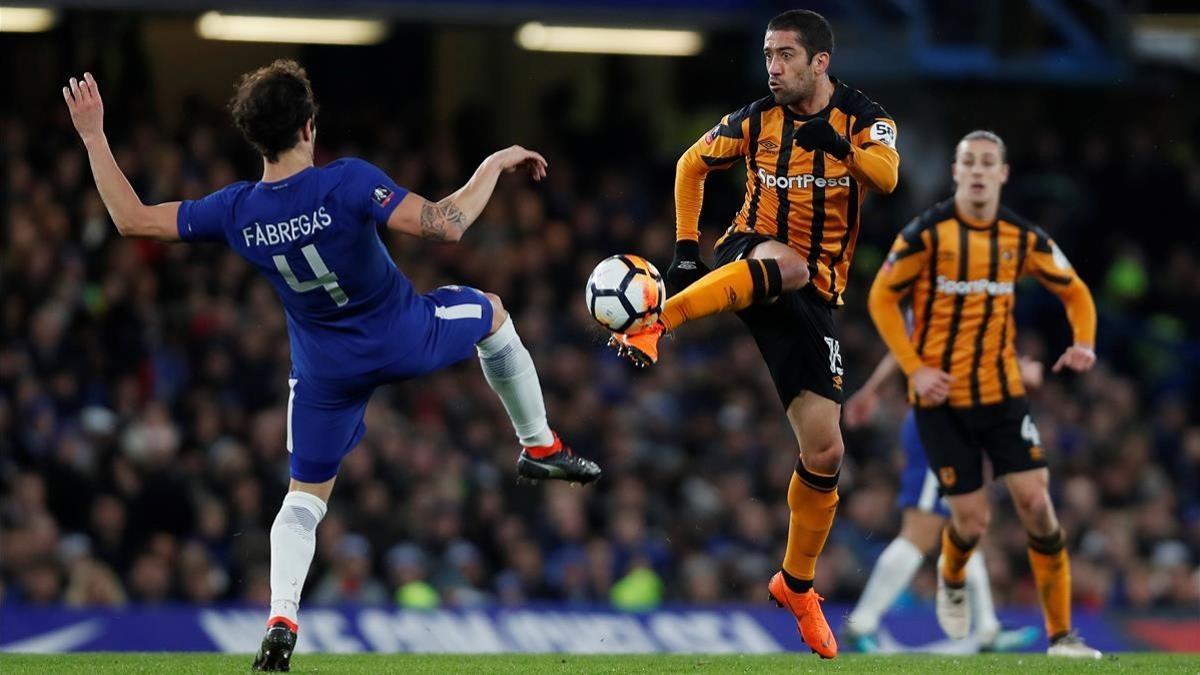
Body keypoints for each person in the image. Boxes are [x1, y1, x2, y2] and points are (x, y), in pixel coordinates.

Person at [62, 61, 601, 671]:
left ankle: (281, 617)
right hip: (403, 336)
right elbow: (445, 226)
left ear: (255, 138)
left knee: (303, 501)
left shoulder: (237, 210)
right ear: (309, 127)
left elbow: (131, 219)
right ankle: (539, 445)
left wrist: (93, 137)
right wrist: (494, 164)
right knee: (494, 314)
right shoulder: (346, 182)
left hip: (325, 372)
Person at [608, 9, 899, 659]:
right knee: (787, 261)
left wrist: (842, 148)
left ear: (819, 62)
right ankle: (659, 319)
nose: (773, 66)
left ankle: (797, 585)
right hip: (753, 251)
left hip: (816, 296)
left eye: (786, 55)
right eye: (768, 54)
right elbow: (691, 164)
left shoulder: (864, 115)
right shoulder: (753, 121)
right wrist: (686, 248)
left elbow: (887, 176)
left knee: (826, 452)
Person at [866, 130, 1101, 658]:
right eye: (967, 162)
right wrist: (913, 368)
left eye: (987, 162)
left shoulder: (1021, 238)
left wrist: (1084, 342)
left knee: (1038, 503)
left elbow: (1075, 290)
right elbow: (882, 297)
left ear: (1002, 174)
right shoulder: (927, 233)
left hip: (1001, 397)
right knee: (971, 521)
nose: (976, 170)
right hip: (940, 403)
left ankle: (1063, 637)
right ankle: (952, 576)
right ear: (956, 172)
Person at [841, 352, 1041, 653]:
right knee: (920, 531)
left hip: (956, 424)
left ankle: (987, 630)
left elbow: (904, 347)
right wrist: (1016, 372)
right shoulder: (948, 308)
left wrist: (872, 389)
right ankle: (861, 623)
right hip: (938, 421)